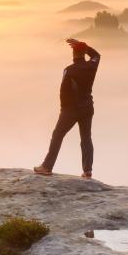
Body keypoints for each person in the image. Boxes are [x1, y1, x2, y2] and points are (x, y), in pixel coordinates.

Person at [34, 38, 100, 178]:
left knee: (57, 135)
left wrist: (64, 110)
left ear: (73, 54)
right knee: (86, 138)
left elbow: (63, 92)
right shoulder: (92, 66)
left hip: (71, 109)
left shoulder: (69, 70)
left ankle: (47, 167)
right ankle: (87, 171)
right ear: (83, 53)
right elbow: (96, 55)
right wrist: (84, 46)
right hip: (88, 107)